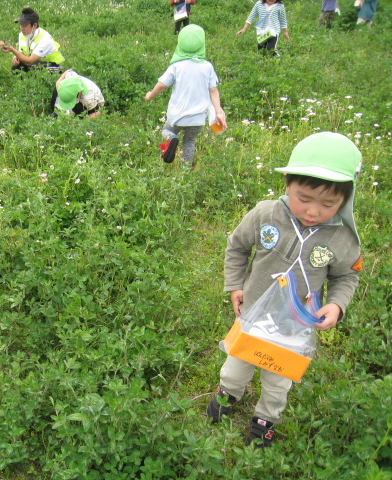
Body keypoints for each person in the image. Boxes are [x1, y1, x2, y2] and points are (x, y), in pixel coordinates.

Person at [207, 132, 363, 447]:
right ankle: (228, 395)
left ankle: (266, 419)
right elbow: (237, 247)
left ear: (345, 200)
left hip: (294, 326)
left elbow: (347, 277)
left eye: (328, 204)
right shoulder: (265, 214)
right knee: (236, 365)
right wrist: (234, 284)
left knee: (278, 381)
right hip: (252, 315)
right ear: (288, 183)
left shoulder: (342, 239)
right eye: (303, 198)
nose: (313, 211)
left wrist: (336, 304)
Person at [144, 24, 226, 168]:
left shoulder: (176, 66)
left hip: (178, 114)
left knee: (167, 131)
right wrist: (218, 111)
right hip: (198, 117)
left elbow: (162, 84)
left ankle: (172, 138)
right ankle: (186, 169)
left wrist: (150, 96)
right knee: (189, 141)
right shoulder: (207, 66)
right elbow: (213, 90)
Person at [1, 7, 65, 73]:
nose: (22, 28)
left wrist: (13, 50)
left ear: (35, 25)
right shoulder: (22, 35)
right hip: (35, 63)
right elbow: (22, 53)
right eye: (21, 25)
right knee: (16, 67)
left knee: (33, 67)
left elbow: (29, 61)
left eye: (25, 25)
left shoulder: (45, 39)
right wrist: (15, 58)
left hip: (52, 65)